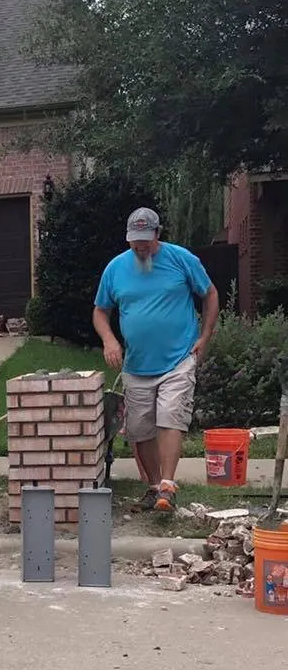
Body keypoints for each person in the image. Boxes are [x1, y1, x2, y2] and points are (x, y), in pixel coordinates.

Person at [93, 208, 219, 512]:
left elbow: (210, 293)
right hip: (137, 365)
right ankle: (153, 486)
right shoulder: (115, 269)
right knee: (140, 428)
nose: (140, 247)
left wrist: (205, 336)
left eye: (145, 241)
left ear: (157, 234)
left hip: (179, 358)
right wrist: (109, 339)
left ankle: (168, 485)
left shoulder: (181, 259)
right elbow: (100, 310)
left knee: (170, 417)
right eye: (135, 242)